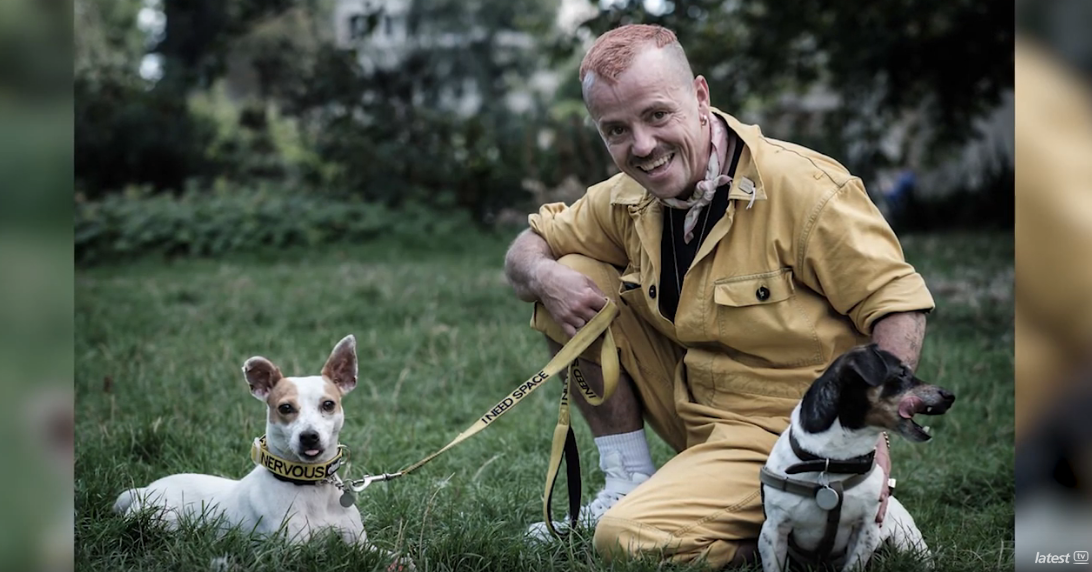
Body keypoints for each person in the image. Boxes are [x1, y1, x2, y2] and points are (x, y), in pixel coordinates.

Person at [503, 24, 933, 568]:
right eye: (616, 130)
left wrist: (871, 438)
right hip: (696, 405)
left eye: (658, 115)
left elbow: (898, 303)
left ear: (700, 97)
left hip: (791, 430)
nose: (641, 146)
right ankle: (627, 480)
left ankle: (827, 513)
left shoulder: (805, 188)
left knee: (624, 541)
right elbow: (526, 248)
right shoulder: (628, 197)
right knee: (571, 269)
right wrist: (545, 279)